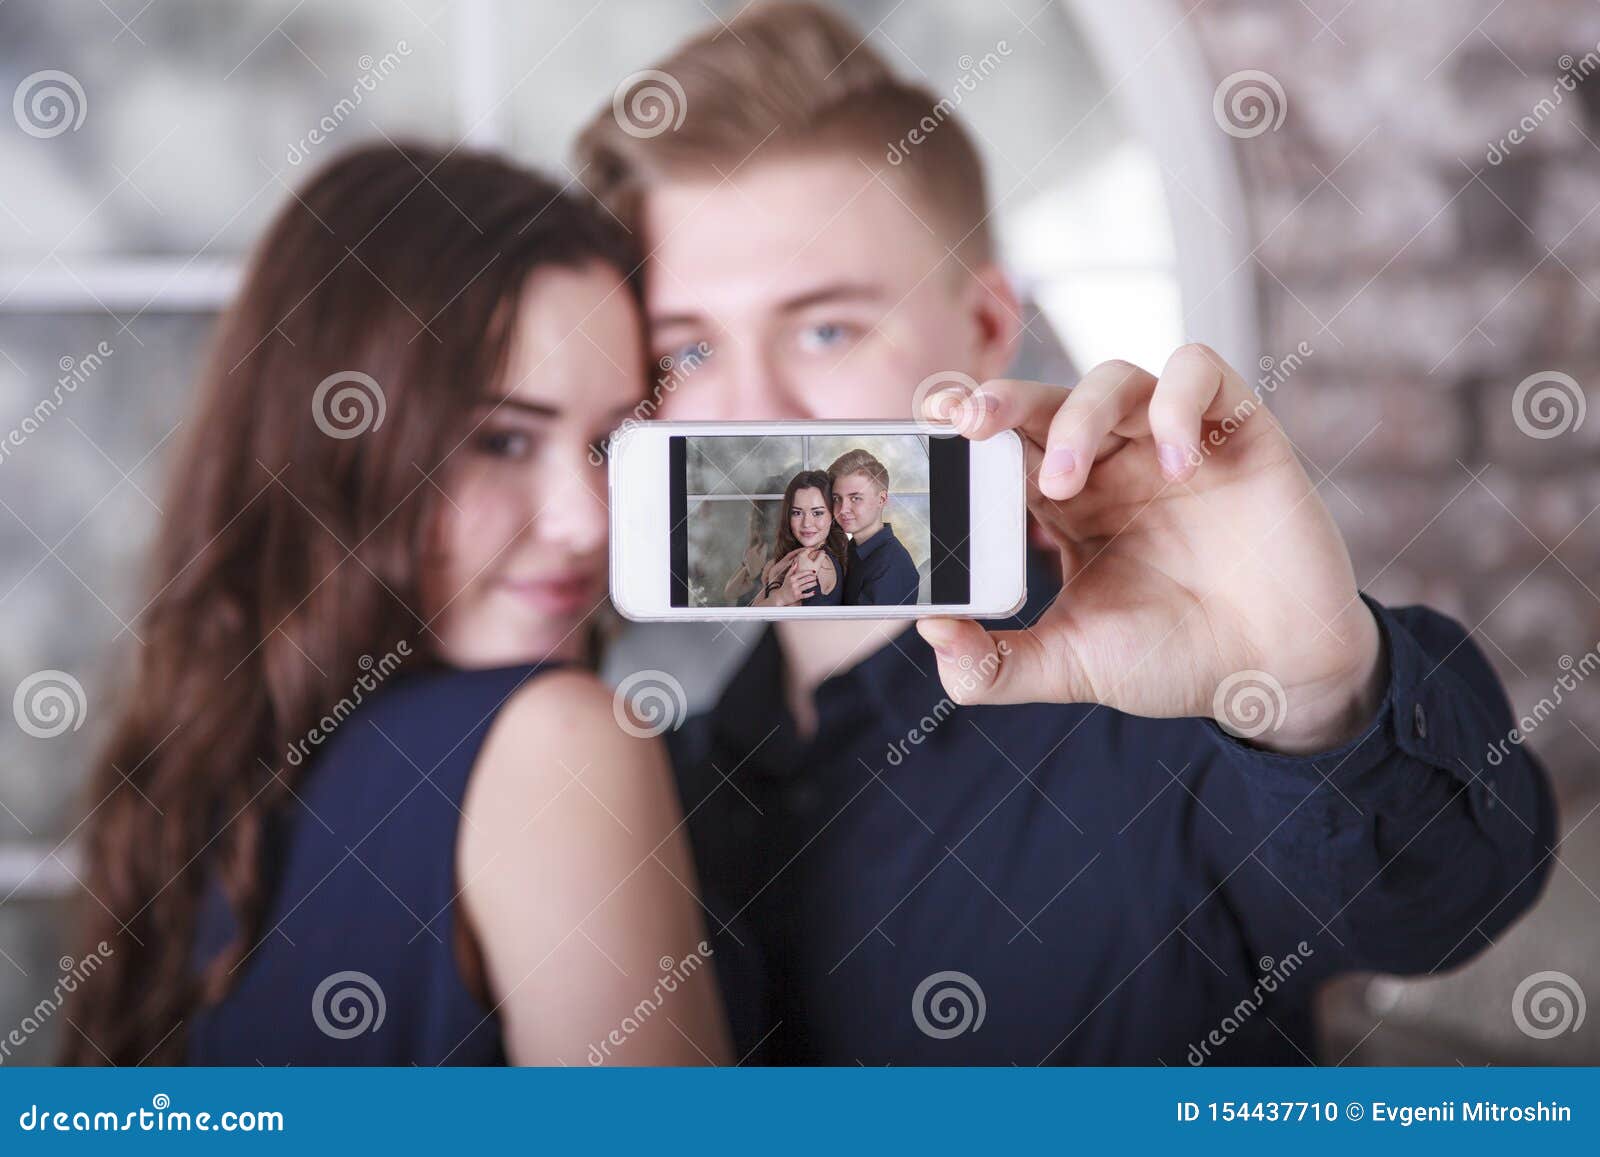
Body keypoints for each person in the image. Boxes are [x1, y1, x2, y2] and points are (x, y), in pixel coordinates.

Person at [575, 1, 1553, 1065]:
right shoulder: (651, 792)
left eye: (825, 327)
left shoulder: (1173, 700)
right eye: (690, 352)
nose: (756, 404)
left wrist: (1315, 693)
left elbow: (1446, 900)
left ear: (989, 326)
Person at [60, 143, 730, 1066]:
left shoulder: (208, 776)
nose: (587, 523)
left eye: (615, 442)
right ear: (336, 440)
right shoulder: (557, 744)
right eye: (499, 440)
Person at [827, 449, 919, 607]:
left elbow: (866, 632)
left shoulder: (891, 565)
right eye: (837, 498)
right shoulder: (850, 550)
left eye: (855, 498)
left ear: (882, 499)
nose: (843, 509)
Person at [749, 469, 846, 607]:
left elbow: (763, 622)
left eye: (817, 513)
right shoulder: (807, 556)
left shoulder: (811, 561)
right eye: (797, 513)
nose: (806, 523)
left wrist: (774, 583)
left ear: (832, 515)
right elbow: (750, 615)